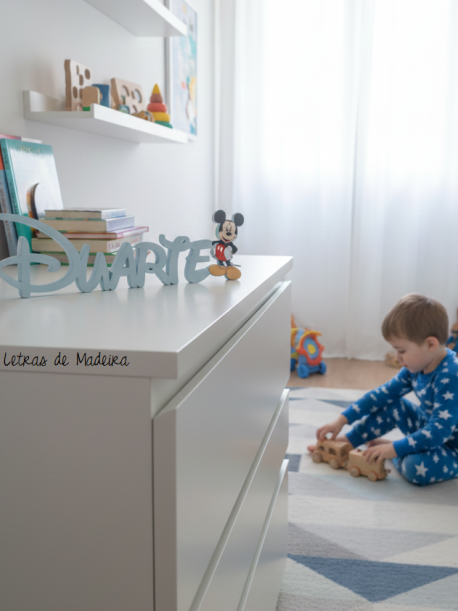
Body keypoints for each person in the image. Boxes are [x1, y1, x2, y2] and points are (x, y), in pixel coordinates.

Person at [308, 294, 458, 485]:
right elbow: (380, 395)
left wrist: (393, 450)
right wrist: (342, 419)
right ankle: (349, 442)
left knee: (415, 468)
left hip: (452, 448)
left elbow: (439, 432)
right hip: (430, 429)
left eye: (401, 350)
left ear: (430, 344)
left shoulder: (451, 376)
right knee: (394, 406)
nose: (398, 357)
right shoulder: (415, 367)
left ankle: (395, 452)